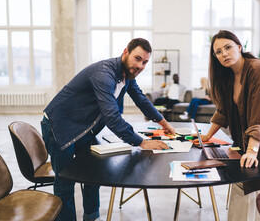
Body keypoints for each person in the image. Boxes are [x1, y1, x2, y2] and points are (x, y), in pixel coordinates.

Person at [41, 38, 175, 221]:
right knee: (65, 182)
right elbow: (112, 118)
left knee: (92, 174)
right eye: (137, 59)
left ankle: (91, 217)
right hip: (60, 126)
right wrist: (142, 142)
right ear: (125, 52)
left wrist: (165, 124)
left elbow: (141, 99)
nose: (140, 65)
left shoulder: (126, 75)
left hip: (83, 128)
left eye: (145, 62)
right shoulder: (104, 74)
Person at [201, 30, 260, 221]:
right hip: (253, 138)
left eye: (228, 47)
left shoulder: (257, 69)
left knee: (243, 176)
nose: (224, 54)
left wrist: (252, 150)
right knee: (236, 168)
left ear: (239, 47)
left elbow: (259, 115)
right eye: (218, 52)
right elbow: (223, 111)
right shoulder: (229, 76)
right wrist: (207, 136)